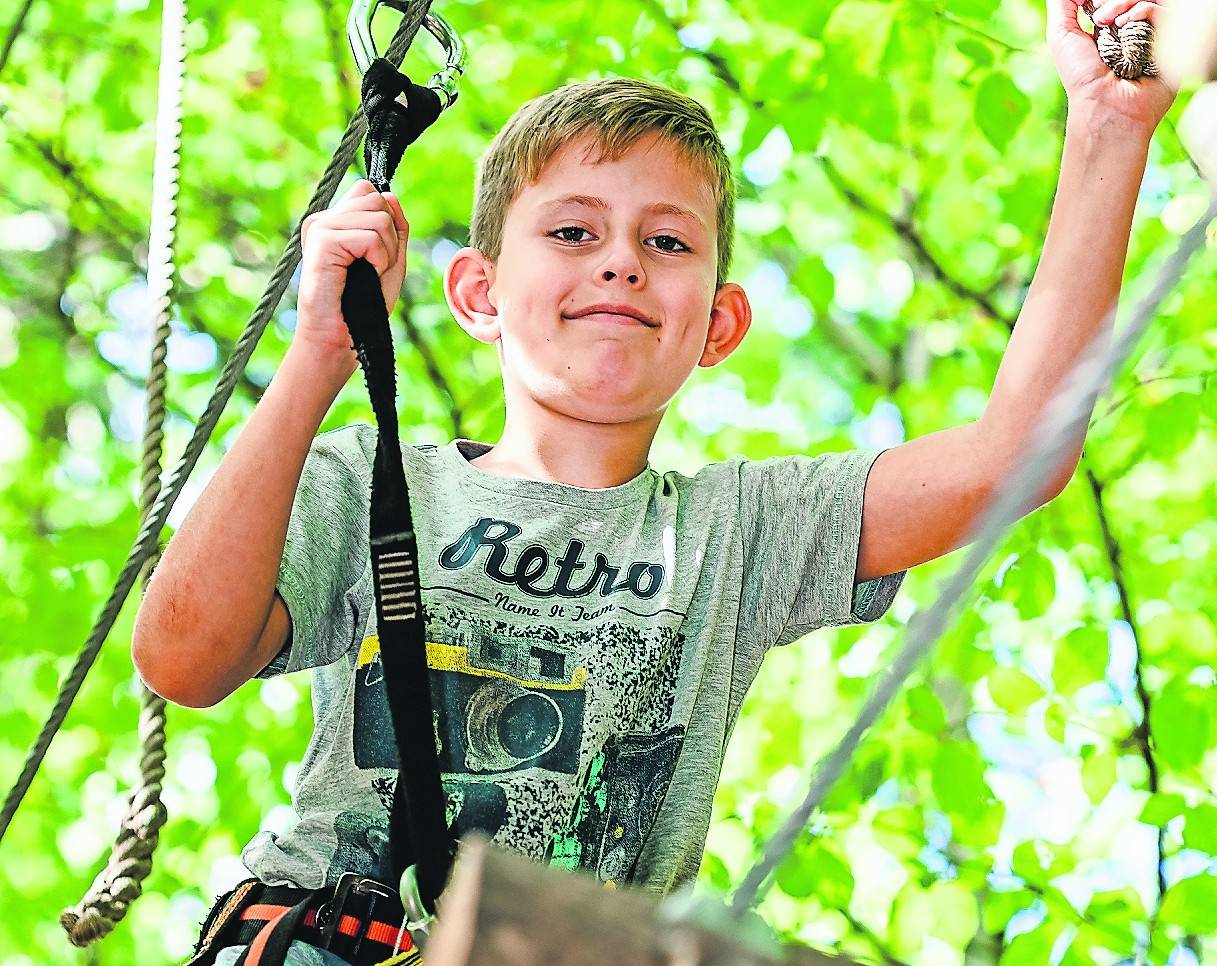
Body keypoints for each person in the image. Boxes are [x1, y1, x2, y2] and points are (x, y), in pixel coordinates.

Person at [132, 0, 1176, 961]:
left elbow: (1018, 454)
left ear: (717, 325)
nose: (620, 262)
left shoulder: (739, 533)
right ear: (479, 292)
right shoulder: (371, 478)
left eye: (665, 240)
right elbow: (181, 657)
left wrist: (1105, 123)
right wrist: (320, 355)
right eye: (573, 231)